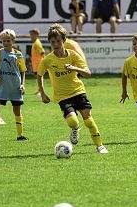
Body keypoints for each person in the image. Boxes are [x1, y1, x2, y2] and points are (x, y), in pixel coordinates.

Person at [37, 24, 108, 154]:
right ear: (49, 42)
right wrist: (42, 93)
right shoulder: (47, 60)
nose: (56, 44)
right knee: (72, 121)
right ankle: (75, 129)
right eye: (53, 42)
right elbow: (39, 75)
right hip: (63, 96)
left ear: (64, 40)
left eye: (58, 41)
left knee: (89, 120)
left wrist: (75, 68)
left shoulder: (73, 55)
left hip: (78, 91)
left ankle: (100, 146)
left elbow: (87, 73)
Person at [29, 28, 45, 95]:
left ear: (36, 35)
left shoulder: (37, 43)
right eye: (30, 35)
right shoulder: (35, 43)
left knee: (40, 77)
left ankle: (41, 91)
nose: (30, 37)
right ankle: (39, 90)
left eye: (32, 35)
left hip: (39, 64)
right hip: (36, 64)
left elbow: (42, 53)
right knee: (38, 78)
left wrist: (43, 63)